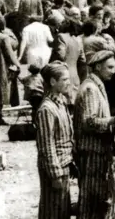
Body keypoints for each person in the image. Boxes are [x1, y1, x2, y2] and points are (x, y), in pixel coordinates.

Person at [73, 50, 115, 219]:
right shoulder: (91, 89)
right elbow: (89, 122)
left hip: (95, 150)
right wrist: (113, 120)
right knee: (91, 199)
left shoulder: (95, 85)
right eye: (110, 67)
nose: (113, 71)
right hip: (92, 151)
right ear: (98, 67)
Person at [35, 61, 74, 219]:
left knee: (62, 210)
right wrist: (55, 174)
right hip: (55, 168)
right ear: (52, 81)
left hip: (64, 163)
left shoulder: (61, 102)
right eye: (64, 79)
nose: (68, 83)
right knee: (52, 211)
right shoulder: (47, 109)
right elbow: (46, 146)